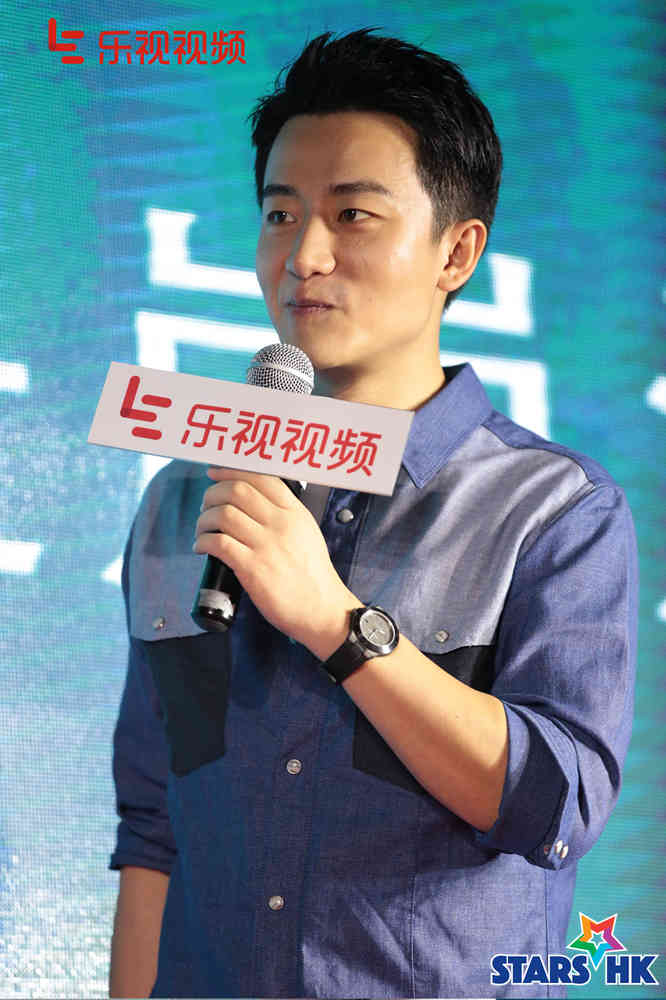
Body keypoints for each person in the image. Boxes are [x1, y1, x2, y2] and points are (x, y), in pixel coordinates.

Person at [108, 29, 637, 999]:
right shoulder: (184, 499)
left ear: (456, 252)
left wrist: (337, 623)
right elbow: (154, 829)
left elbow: (554, 804)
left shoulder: (553, 510)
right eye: (281, 214)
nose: (304, 255)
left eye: (352, 214)